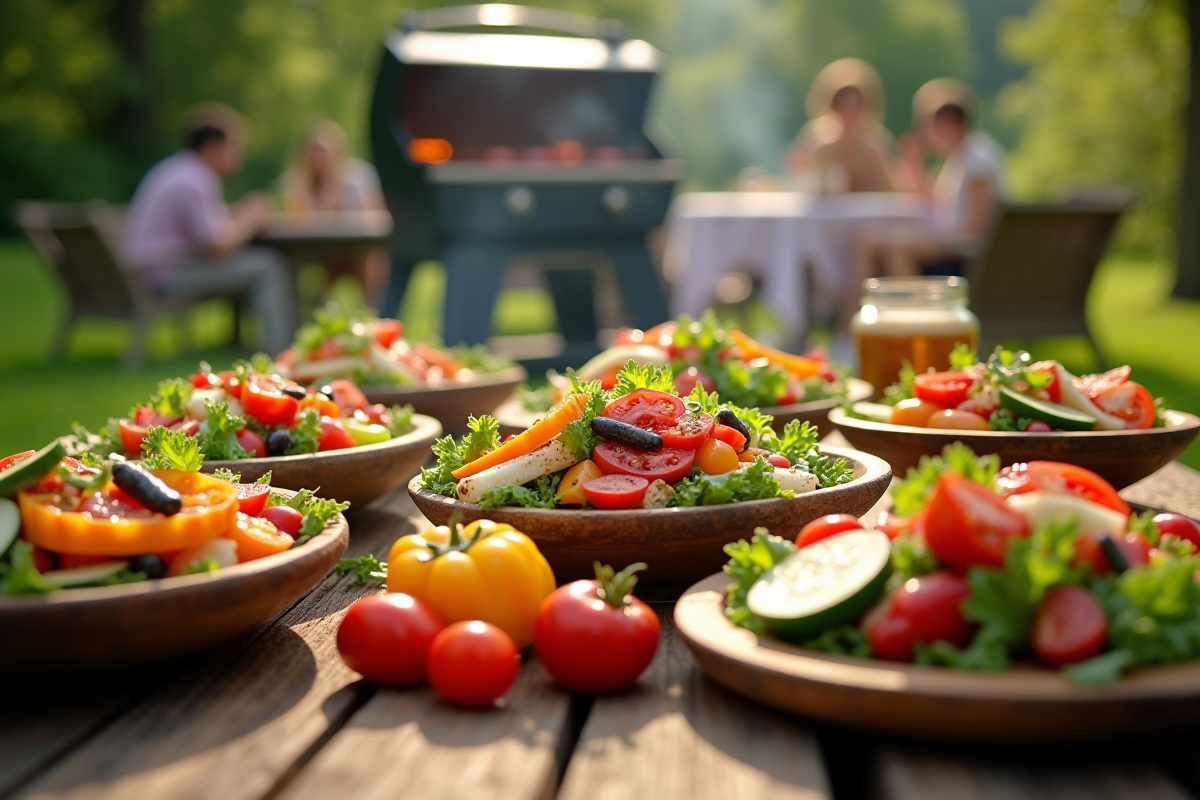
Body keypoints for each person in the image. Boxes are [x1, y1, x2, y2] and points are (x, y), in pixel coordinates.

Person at [122, 103, 294, 353]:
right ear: (213, 148)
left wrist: (241, 213)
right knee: (269, 266)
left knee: (256, 262)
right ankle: (279, 351)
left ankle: (243, 341)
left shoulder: (178, 170)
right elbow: (218, 247)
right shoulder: (196, 180)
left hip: (153, 270)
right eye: (234, 147)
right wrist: (252, 219)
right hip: (165, 276)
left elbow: (211, 226)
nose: (238, 156)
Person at [838, 78, 1005, 331]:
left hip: (968, 255)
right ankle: (852, 328)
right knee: (871, 239)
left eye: (926, 126)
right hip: (957, 246)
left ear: (948, 123)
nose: (924, 135)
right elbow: (937, 203)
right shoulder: (962, 157)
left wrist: (934, 235)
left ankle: (913, 328)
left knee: (897, 246)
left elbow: (974, 229)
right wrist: (915, 167)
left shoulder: (978, 159)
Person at [280, 120, 389, 307]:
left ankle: (371, 313)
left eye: (324, 152)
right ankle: (307, 312)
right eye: (314, 152)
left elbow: (379, 217)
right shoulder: (297, 183)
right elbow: (295, 219)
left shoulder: (358, 177)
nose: (319, 159)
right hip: (317, 253)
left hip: (356, 252)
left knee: (371, 257)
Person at [787, 58, 894, 194]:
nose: (850, 111)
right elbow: (805, 185)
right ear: (833, 106)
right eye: (844, 104)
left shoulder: (877, 144)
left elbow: (889, 191)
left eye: (856, 105)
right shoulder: (817, 139)